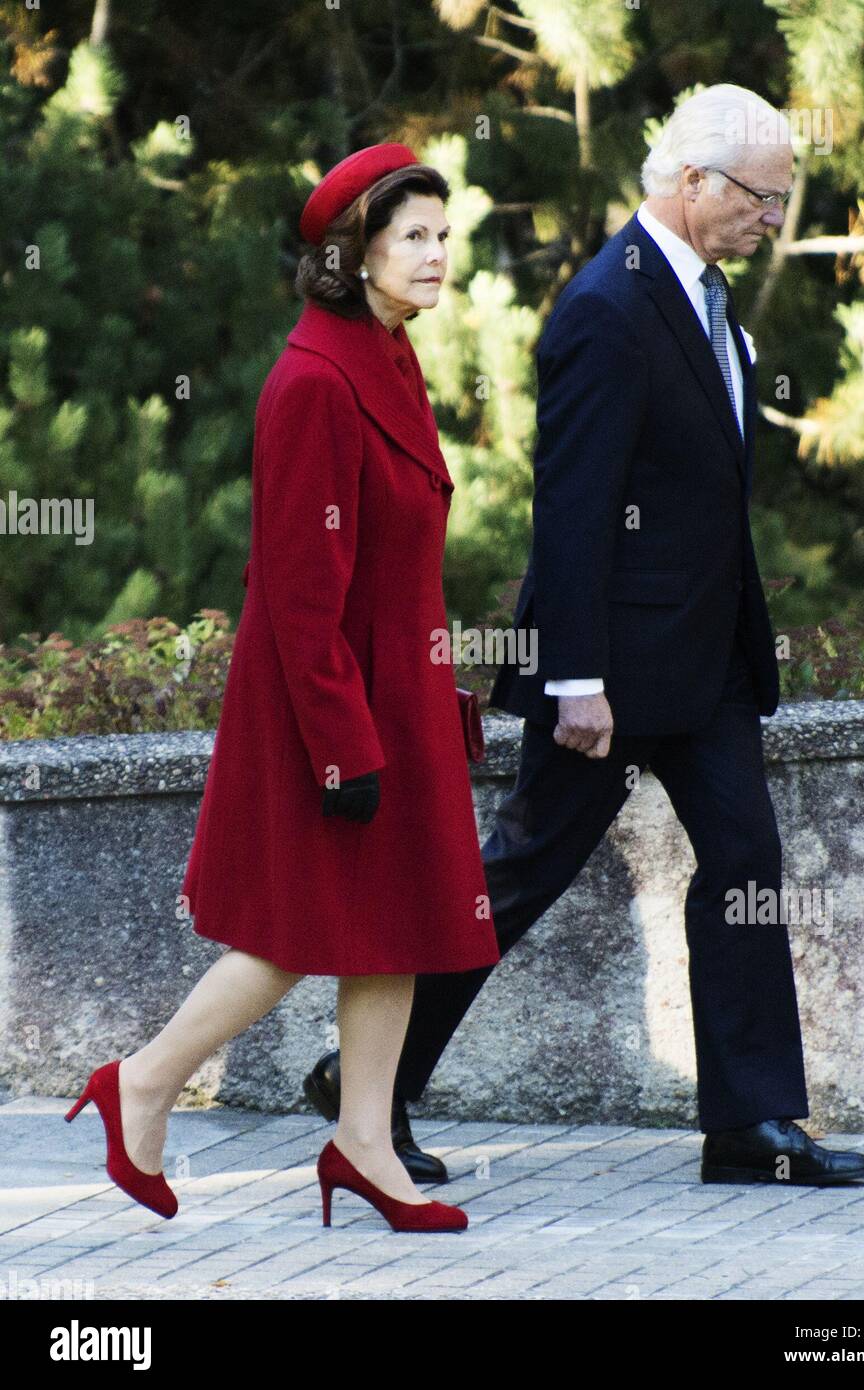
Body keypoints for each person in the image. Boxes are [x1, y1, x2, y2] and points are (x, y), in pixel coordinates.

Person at [307, 87, 864, 1189]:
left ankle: (752, 1125)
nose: (775, 213)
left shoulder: (707, 300)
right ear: (696, 184)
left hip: (705, 663)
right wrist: (572, 678)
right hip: (607, 672)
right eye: (763, 195)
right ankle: (364, 1084)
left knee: (747, 863)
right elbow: (571, 509)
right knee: (516, 877)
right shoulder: (605, 308)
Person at [65, 142, 500, 1233]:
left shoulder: (390, 356)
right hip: (333, 706)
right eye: (415, 238)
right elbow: (301, 593)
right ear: (353, 254)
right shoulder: (315, 381)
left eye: (446, 236)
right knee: (289, 935)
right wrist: (347, 744)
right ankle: (146, 1081)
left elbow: (404, 570)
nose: (439, 256)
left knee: (396, 923)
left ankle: (363, 1139)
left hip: (395, 692)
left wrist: (438, 700)